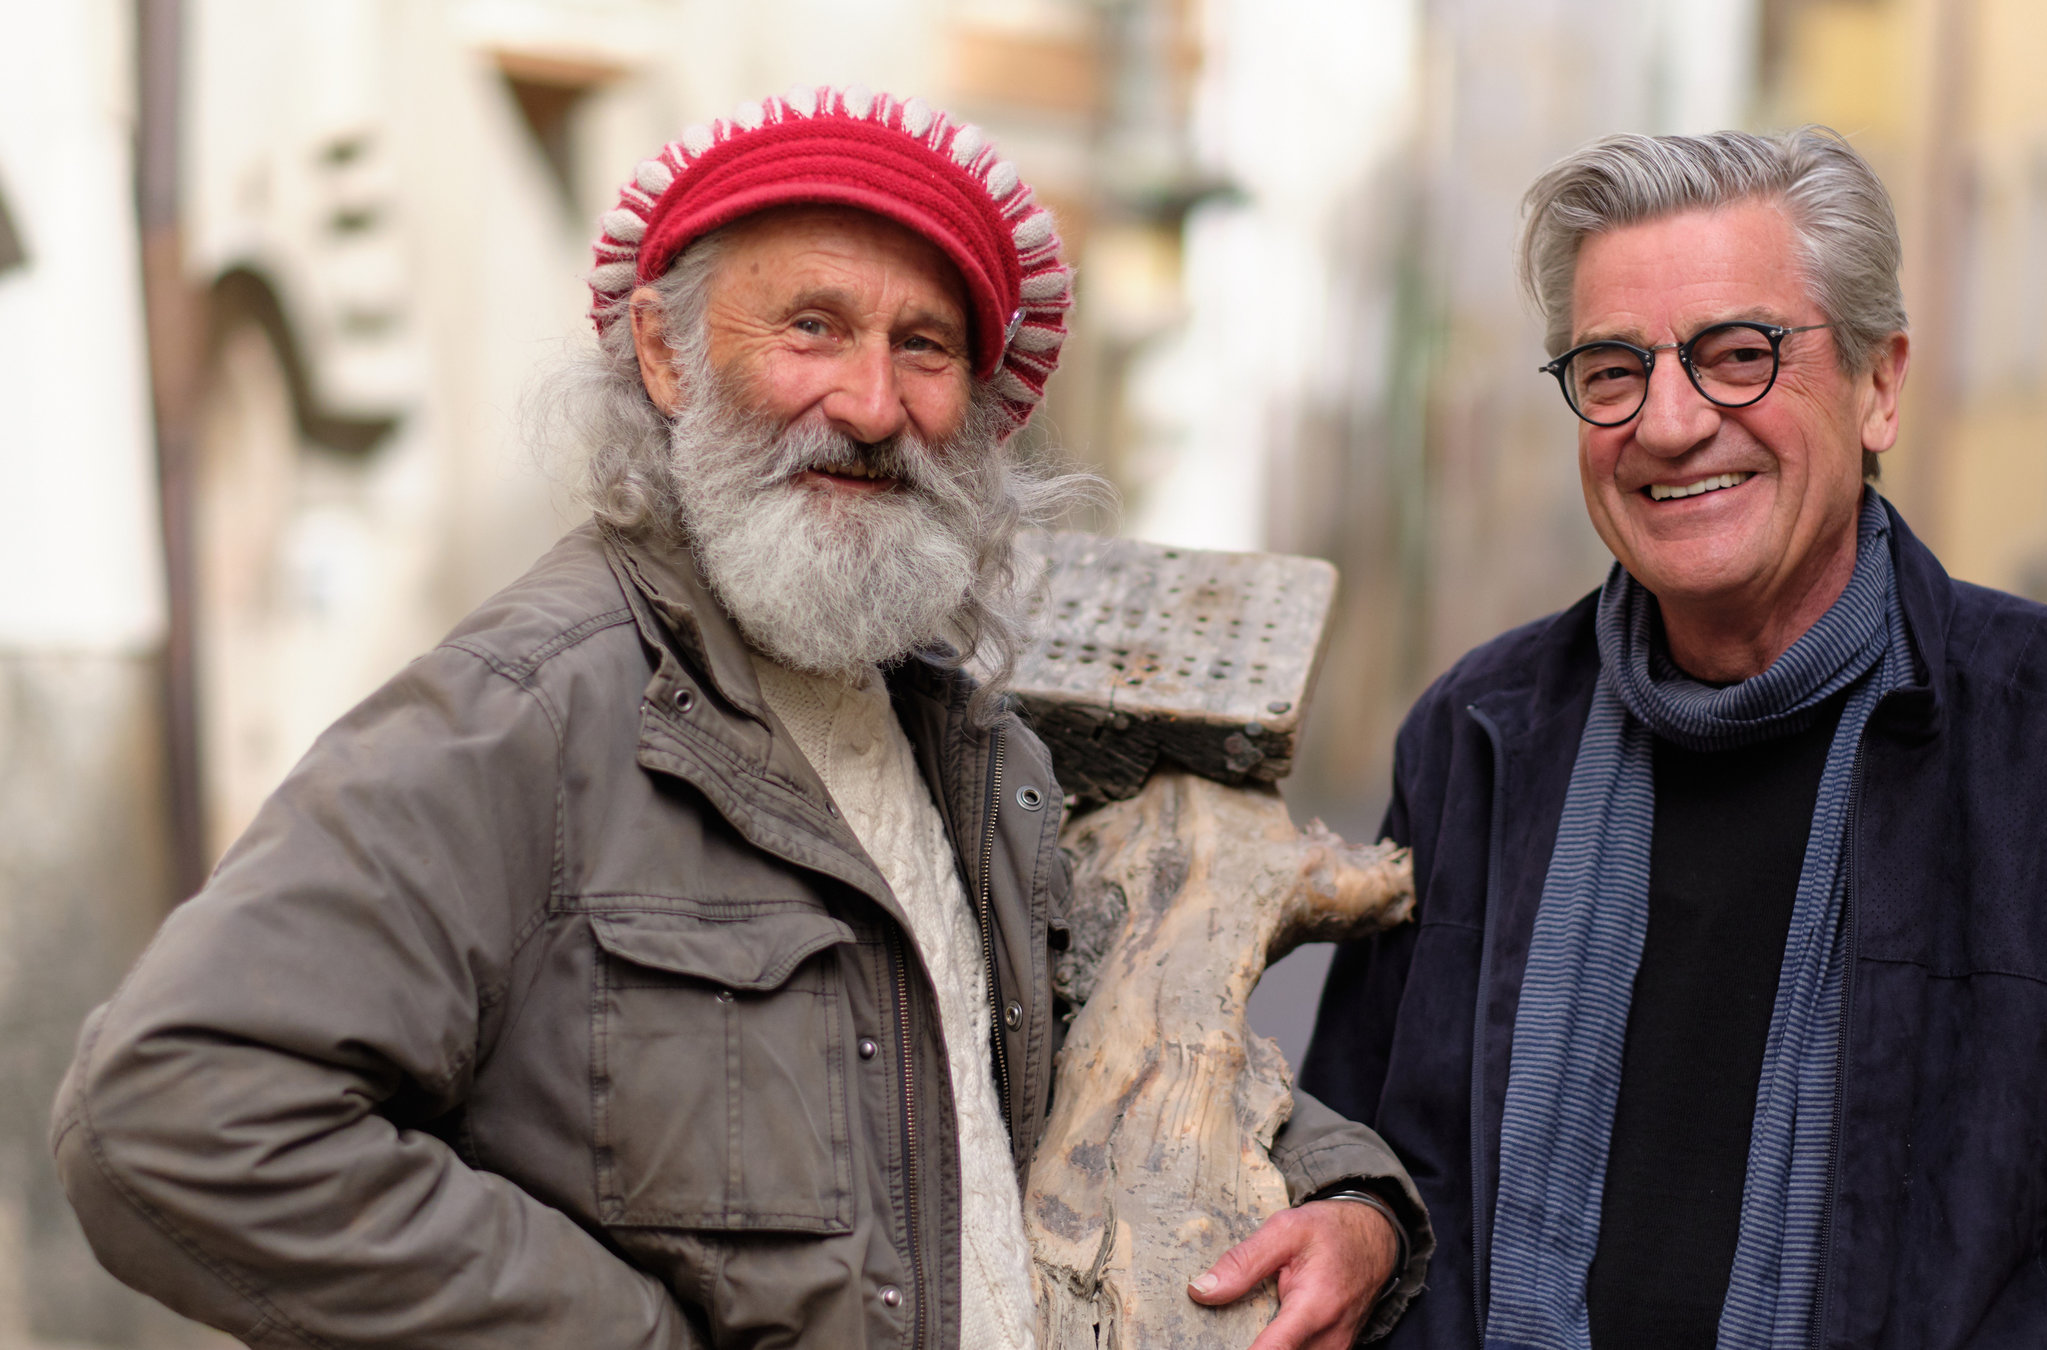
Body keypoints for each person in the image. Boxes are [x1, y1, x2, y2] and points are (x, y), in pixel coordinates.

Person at [53, 86, 1425, 1350]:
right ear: (663, 352)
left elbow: (1085, 1033)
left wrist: (1342, 1195)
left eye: (925, 347)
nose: (872, 403)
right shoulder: (533, 712)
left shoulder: (964, 746)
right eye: (812, 327)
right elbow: (171, 1111)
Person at [1300, 128, 2047, 1350]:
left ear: (1879, 385)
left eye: (1738, 355)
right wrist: (1355, 1212)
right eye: (1611, 370)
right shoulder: (1478, 739)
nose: (1668, 424)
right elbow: (1363, 1155)